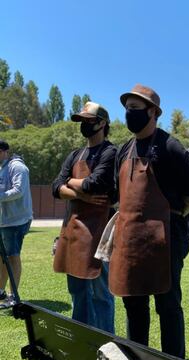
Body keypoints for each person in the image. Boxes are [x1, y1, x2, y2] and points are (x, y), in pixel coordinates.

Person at [109, 84, 189, 359]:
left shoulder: (171, 147)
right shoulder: (123, 151)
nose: (129, 114)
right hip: (130, 240)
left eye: (135, 109)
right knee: (134, 304)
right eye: (127, 109)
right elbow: (118, 193)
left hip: (165, 240)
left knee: (168, 306)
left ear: (154, 112)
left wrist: (170, 220)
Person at [52, 102, 116, 333]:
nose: (85, 125)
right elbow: (55, 187)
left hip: (99, 233)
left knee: (101, 293)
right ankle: (80, 336)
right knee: (77, 290)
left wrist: (70, 183)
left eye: (89, 120)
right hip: (72, 230)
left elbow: (95, 183)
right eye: (83, 121)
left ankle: (107, 342)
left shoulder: (110, 152)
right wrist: (83, 195)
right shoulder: (75, 154)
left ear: (102, 123)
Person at [0, 140, 32, 309]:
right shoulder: (2, 168)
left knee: (12, 256)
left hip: (16, 221)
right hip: (4, 222)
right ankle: (0, 291)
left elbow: (18, 191)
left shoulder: (17, 167)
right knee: (2, 258)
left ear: (5, 151)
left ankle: (14, 296)